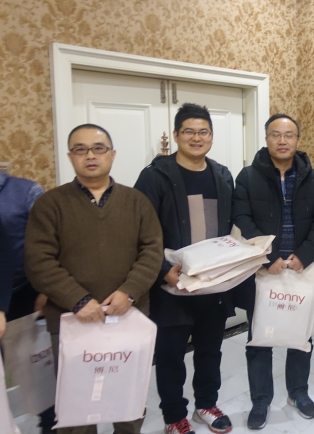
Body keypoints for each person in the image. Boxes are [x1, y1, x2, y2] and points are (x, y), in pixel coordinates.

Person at [24, 124, 163, 434]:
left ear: (112, 154)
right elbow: (38, 261)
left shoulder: (137, 201)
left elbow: (152, 251)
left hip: (128, 317)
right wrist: (78, 300)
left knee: (128, 403)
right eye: (80, 149)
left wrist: (129, 292)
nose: (90, 155)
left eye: (98, 148)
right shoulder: (50, 204)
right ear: (70, 156)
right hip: (71, 321)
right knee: (77, 409)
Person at [134, 103, 235, 434]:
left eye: (203, 131)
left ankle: (206, 404)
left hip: (212, 284)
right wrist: (162, 269)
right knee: (171, 355)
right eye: (189, 131)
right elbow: (138, 229)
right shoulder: (155, 176)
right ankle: (174, 415)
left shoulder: (222, 175)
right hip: (172, 284)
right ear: (176, 135)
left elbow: (229, 227)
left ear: (212, 136)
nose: (196, 138)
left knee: (210, 350)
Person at [232, 113, 314, 429]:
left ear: (297, 140)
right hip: (264, 268)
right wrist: (268, 256)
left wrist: (305, 254)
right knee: (261, 336)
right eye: (276, 134)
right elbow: (242, 217)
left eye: (289, 135)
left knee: (301, 334)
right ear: (266, 139)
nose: (282, 141)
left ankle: (298, 393)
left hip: (301, 267)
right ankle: (261, 400)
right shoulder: (248, 176)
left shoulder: (313, 178)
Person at [0, 173, 55, 433]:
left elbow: (51, 240)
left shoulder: (26, 191)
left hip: (27, 297)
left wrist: (46, 290)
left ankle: (50, 426)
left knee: (40, 374)